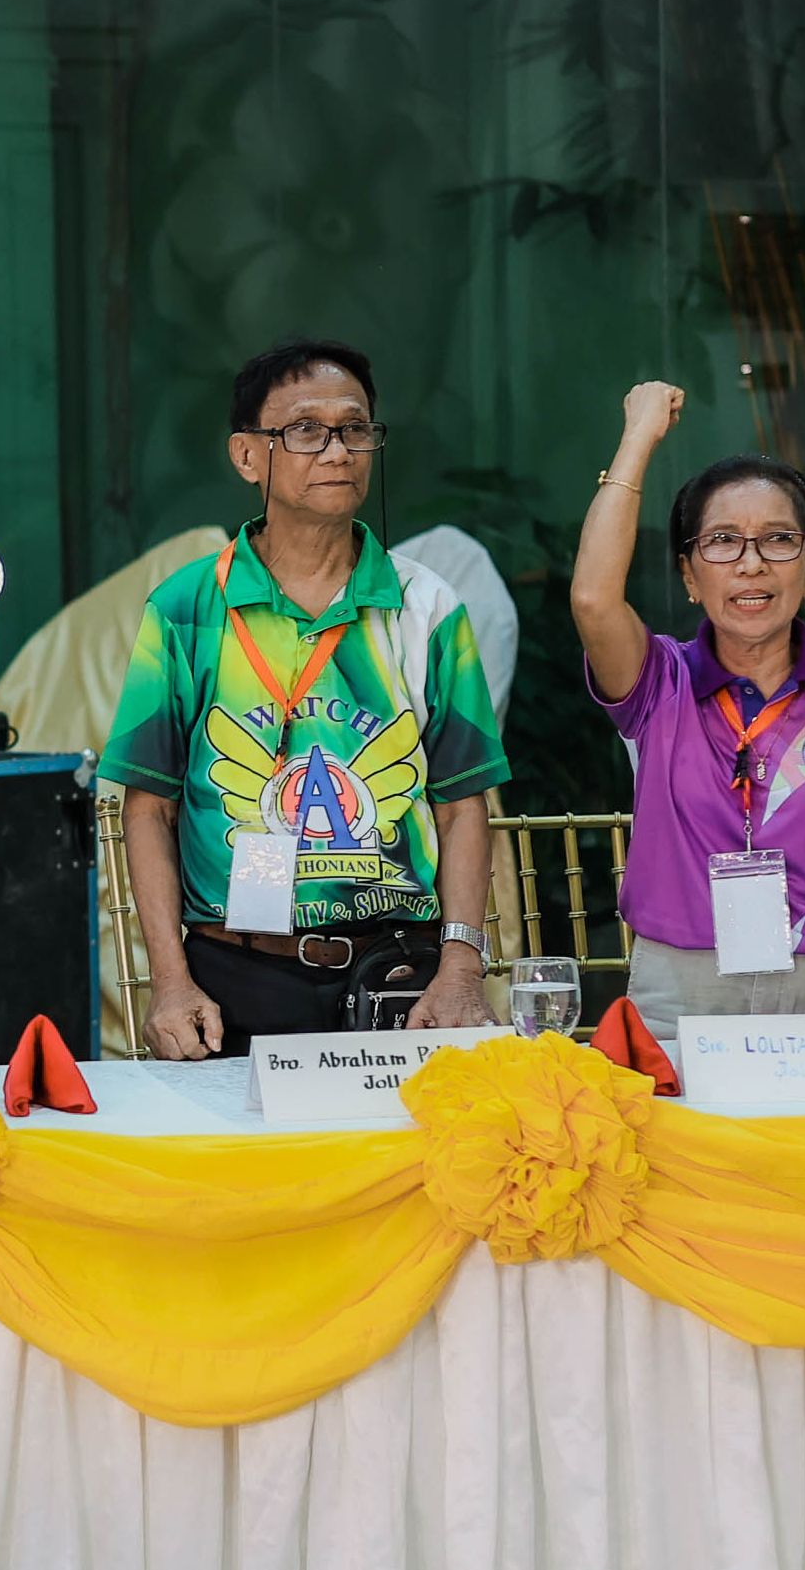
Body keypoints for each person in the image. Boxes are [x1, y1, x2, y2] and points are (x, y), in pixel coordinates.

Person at [100, 339, 507, 1056]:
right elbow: (148, 807)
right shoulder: (187, 608)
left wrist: (460, 969)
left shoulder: (427, 606)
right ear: (247, 455)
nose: (338, 451)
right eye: (306, 431)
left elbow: (463, 805)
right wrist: (170, 980)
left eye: (354, 429)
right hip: (235, 970)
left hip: (398, 969)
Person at [569, 382, 805, 1033]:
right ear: (689, 575)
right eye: (723, 541)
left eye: (779, 540)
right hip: (681, 990)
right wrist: (638, 439)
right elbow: (593, 600)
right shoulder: (659, 681)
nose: (751, 564)